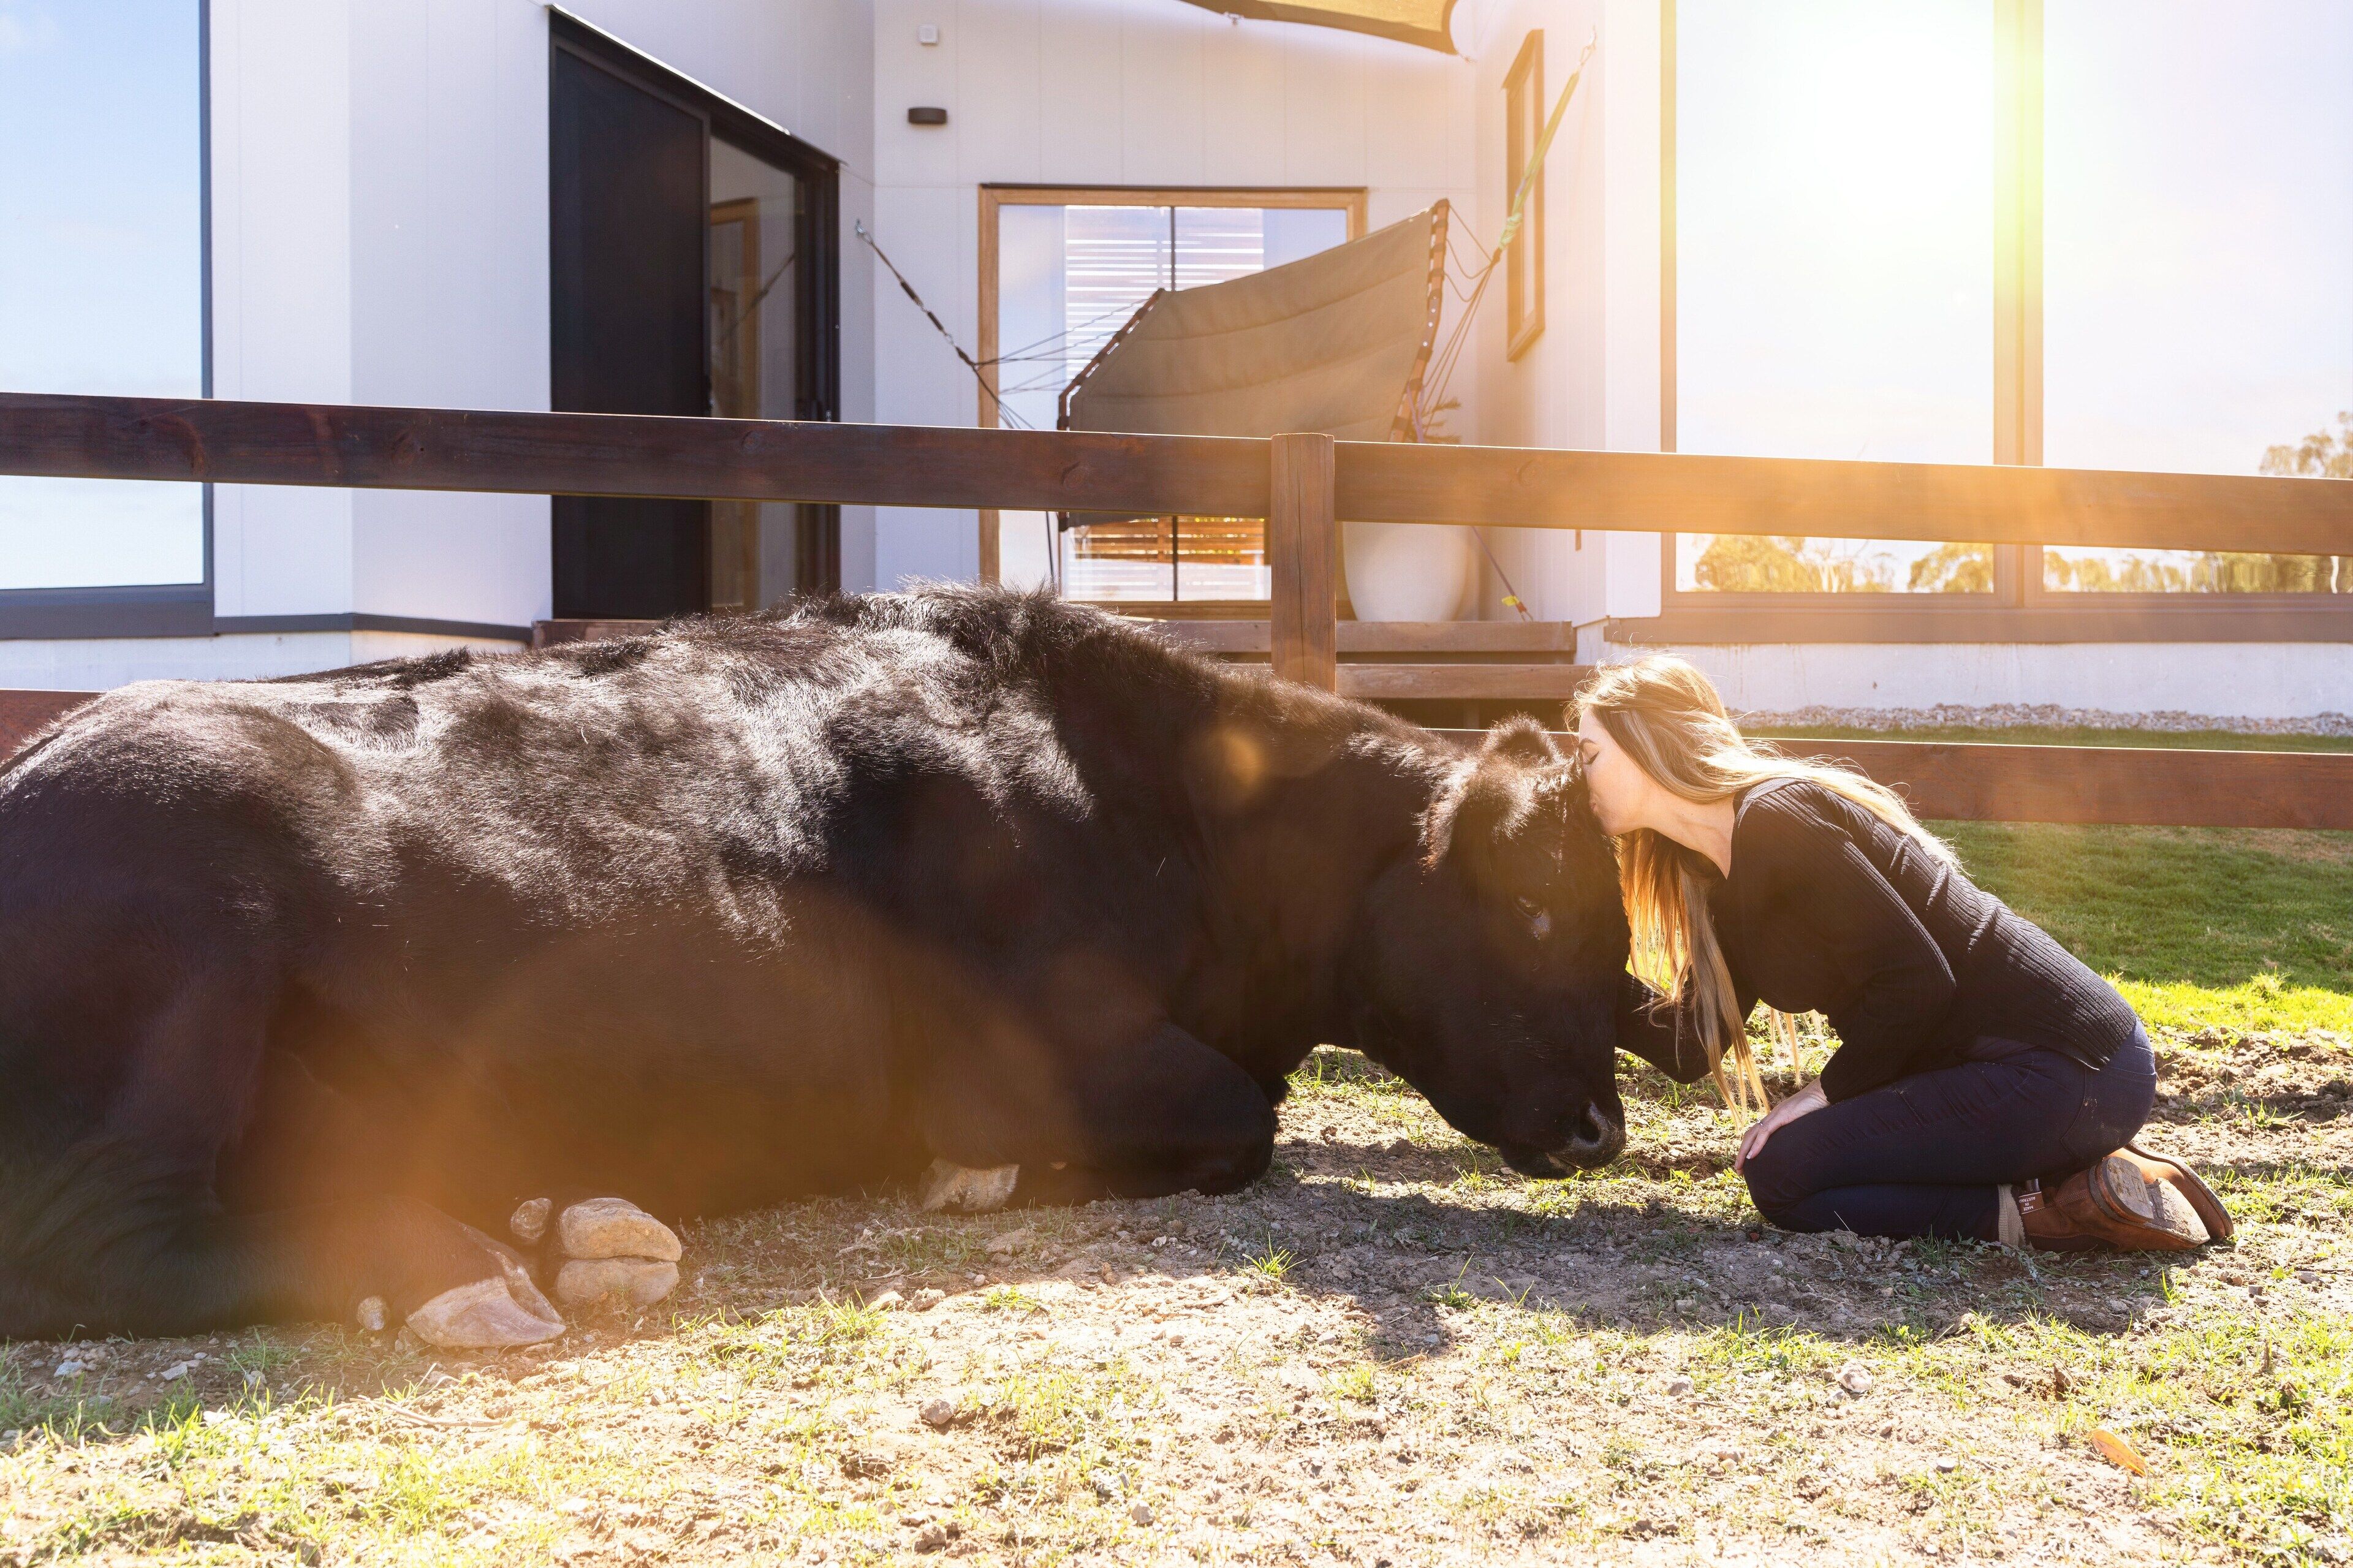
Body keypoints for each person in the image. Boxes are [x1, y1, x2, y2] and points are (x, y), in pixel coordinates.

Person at [1573, 655, 2230, 1252]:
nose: (1582, 776)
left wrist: (1821, 1093)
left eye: (1589, 753)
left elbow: (1917, 983)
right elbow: (1692, 1045)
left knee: (1785, 1173)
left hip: (2075, 1069)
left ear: (1646, 745)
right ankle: (2076, 1176)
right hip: (2021, 1081)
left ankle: (2052, 1209)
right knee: (1783, 1174)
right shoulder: (1720, 876)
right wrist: (1562, 966)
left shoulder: (1780, 818)